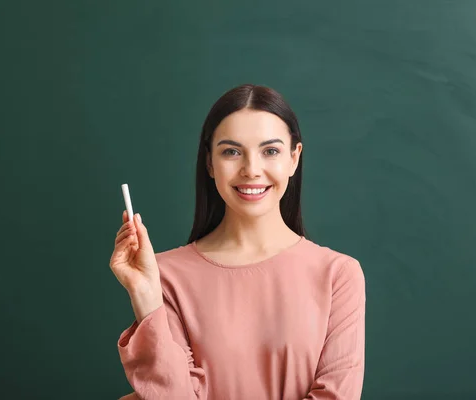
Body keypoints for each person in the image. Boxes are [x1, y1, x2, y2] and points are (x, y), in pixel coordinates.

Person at [109, 84, 366, 400]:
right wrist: (146, 295)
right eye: (231, 151)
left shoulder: (338, 274)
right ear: (209, 163)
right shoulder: (164, 275)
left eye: (270, 151)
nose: (251, 170)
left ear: (294, 158)